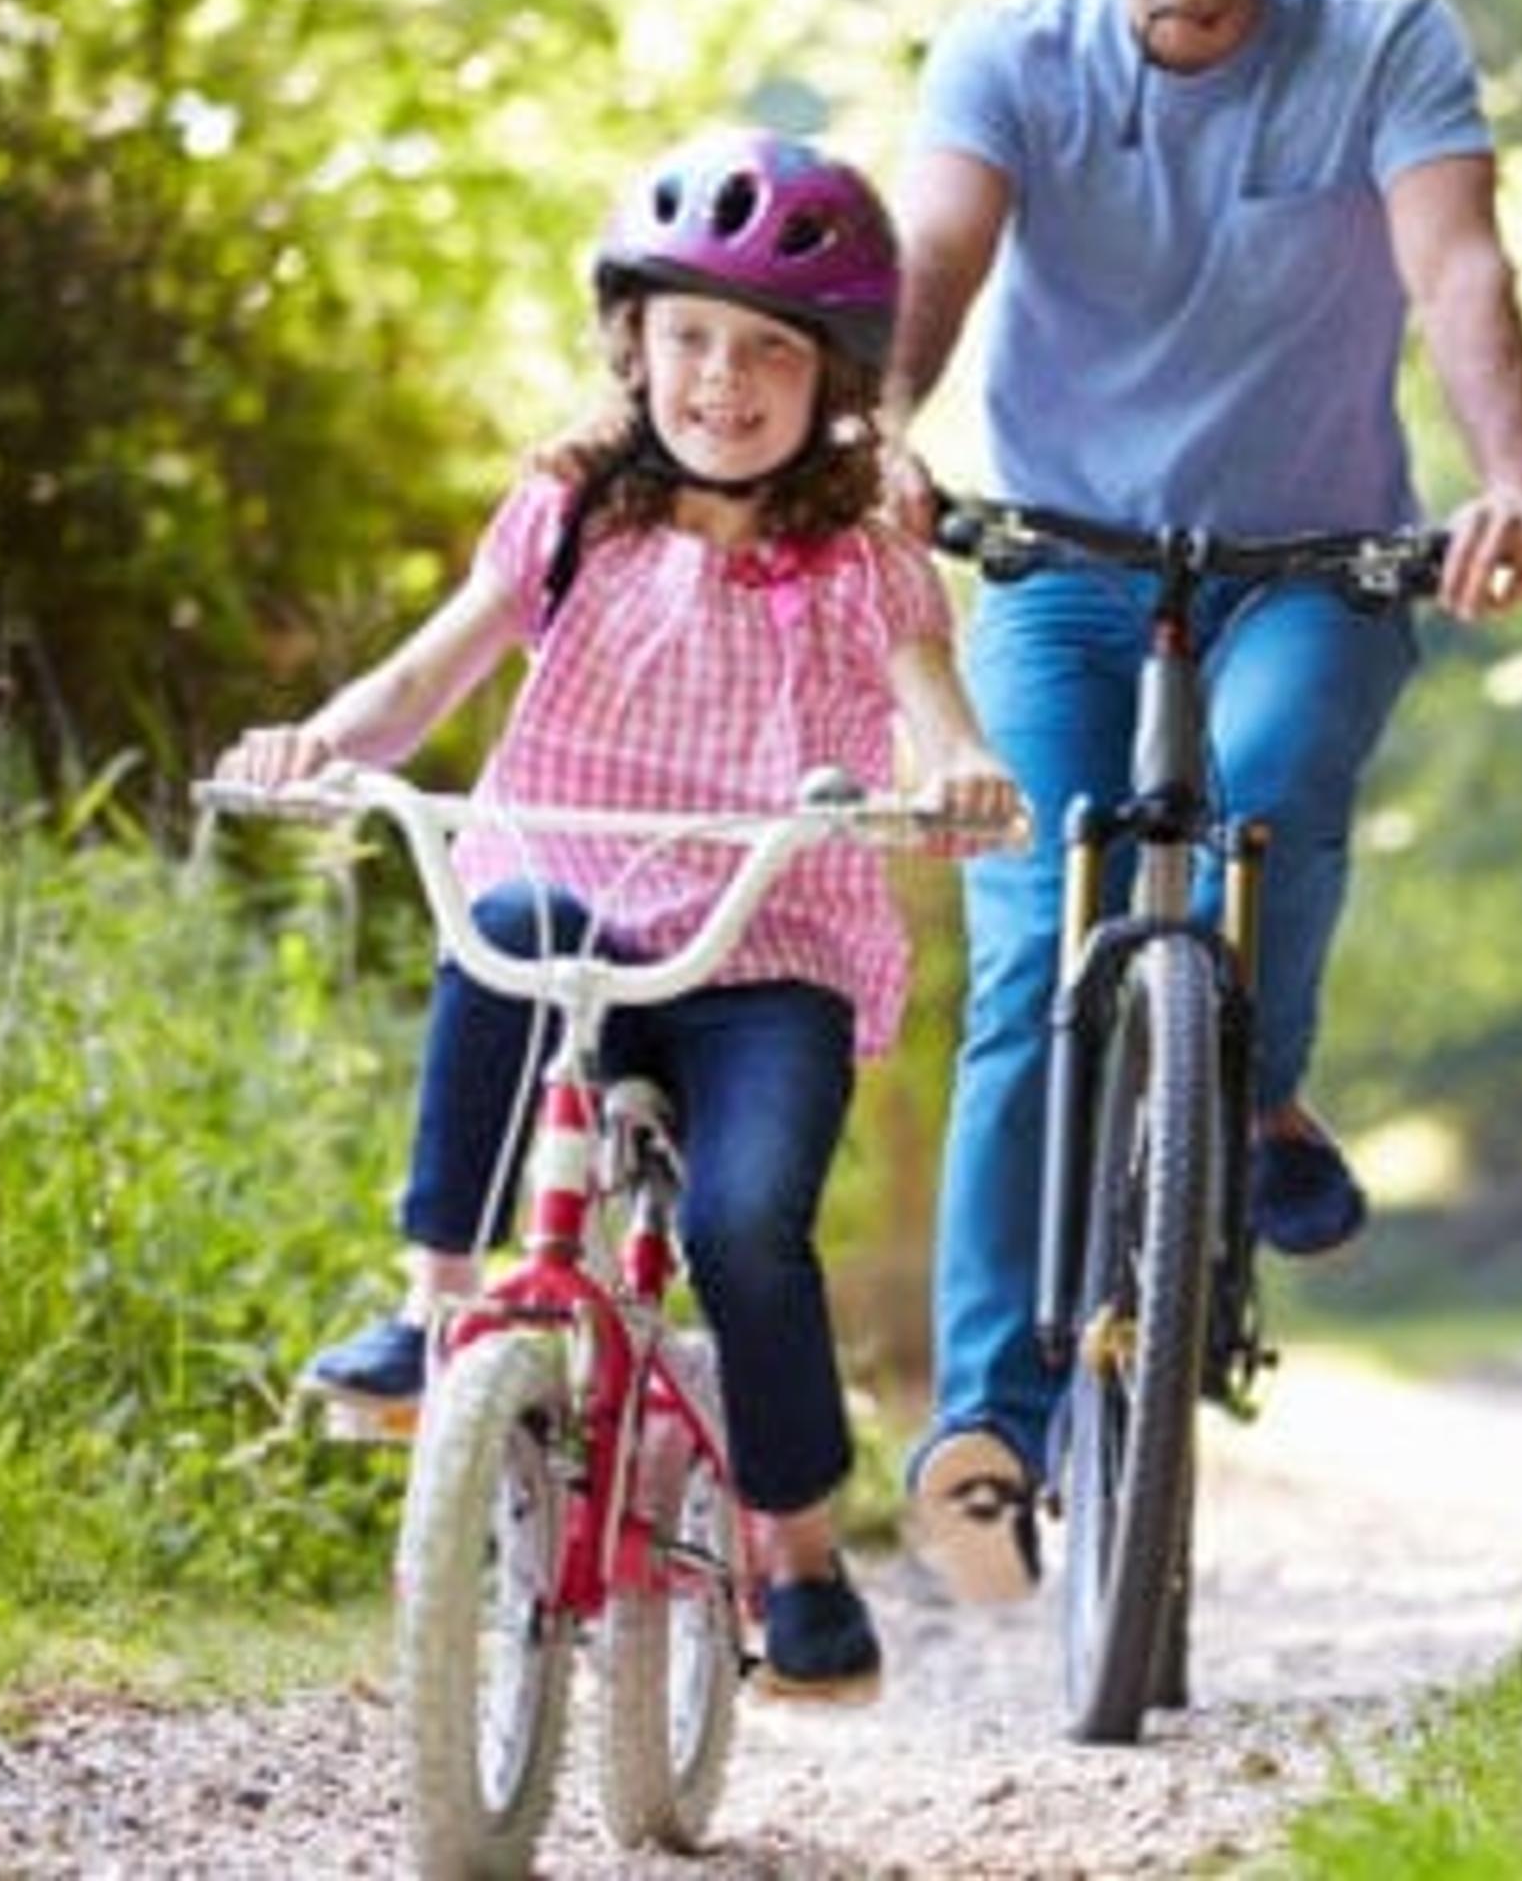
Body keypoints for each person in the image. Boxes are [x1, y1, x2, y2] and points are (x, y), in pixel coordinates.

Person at [216, 129, 1024, 1701]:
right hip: (577, 910)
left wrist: (969, 773)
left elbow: (937, 711)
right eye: (691, 338)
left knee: (740, 1228)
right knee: (500, 917)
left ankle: (795, 1554)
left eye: (769, 351)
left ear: (834, 376)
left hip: (763, 949)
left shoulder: (863, 556)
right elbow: (427, 674)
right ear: (634, 344)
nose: (722, 379)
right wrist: (319, 744)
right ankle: (436, 1306)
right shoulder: (574, 511)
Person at [880, 0, 1522, 1605]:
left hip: (1312, 564)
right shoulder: (1008, 52)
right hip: (1061, 562)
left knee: (1266, 788)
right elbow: (935, 254)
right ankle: (988, 1427)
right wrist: (880, 422)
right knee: (1037, 934)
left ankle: (1249, 1084)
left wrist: (1515, 479)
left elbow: (1457, 263)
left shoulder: (1385, 38)